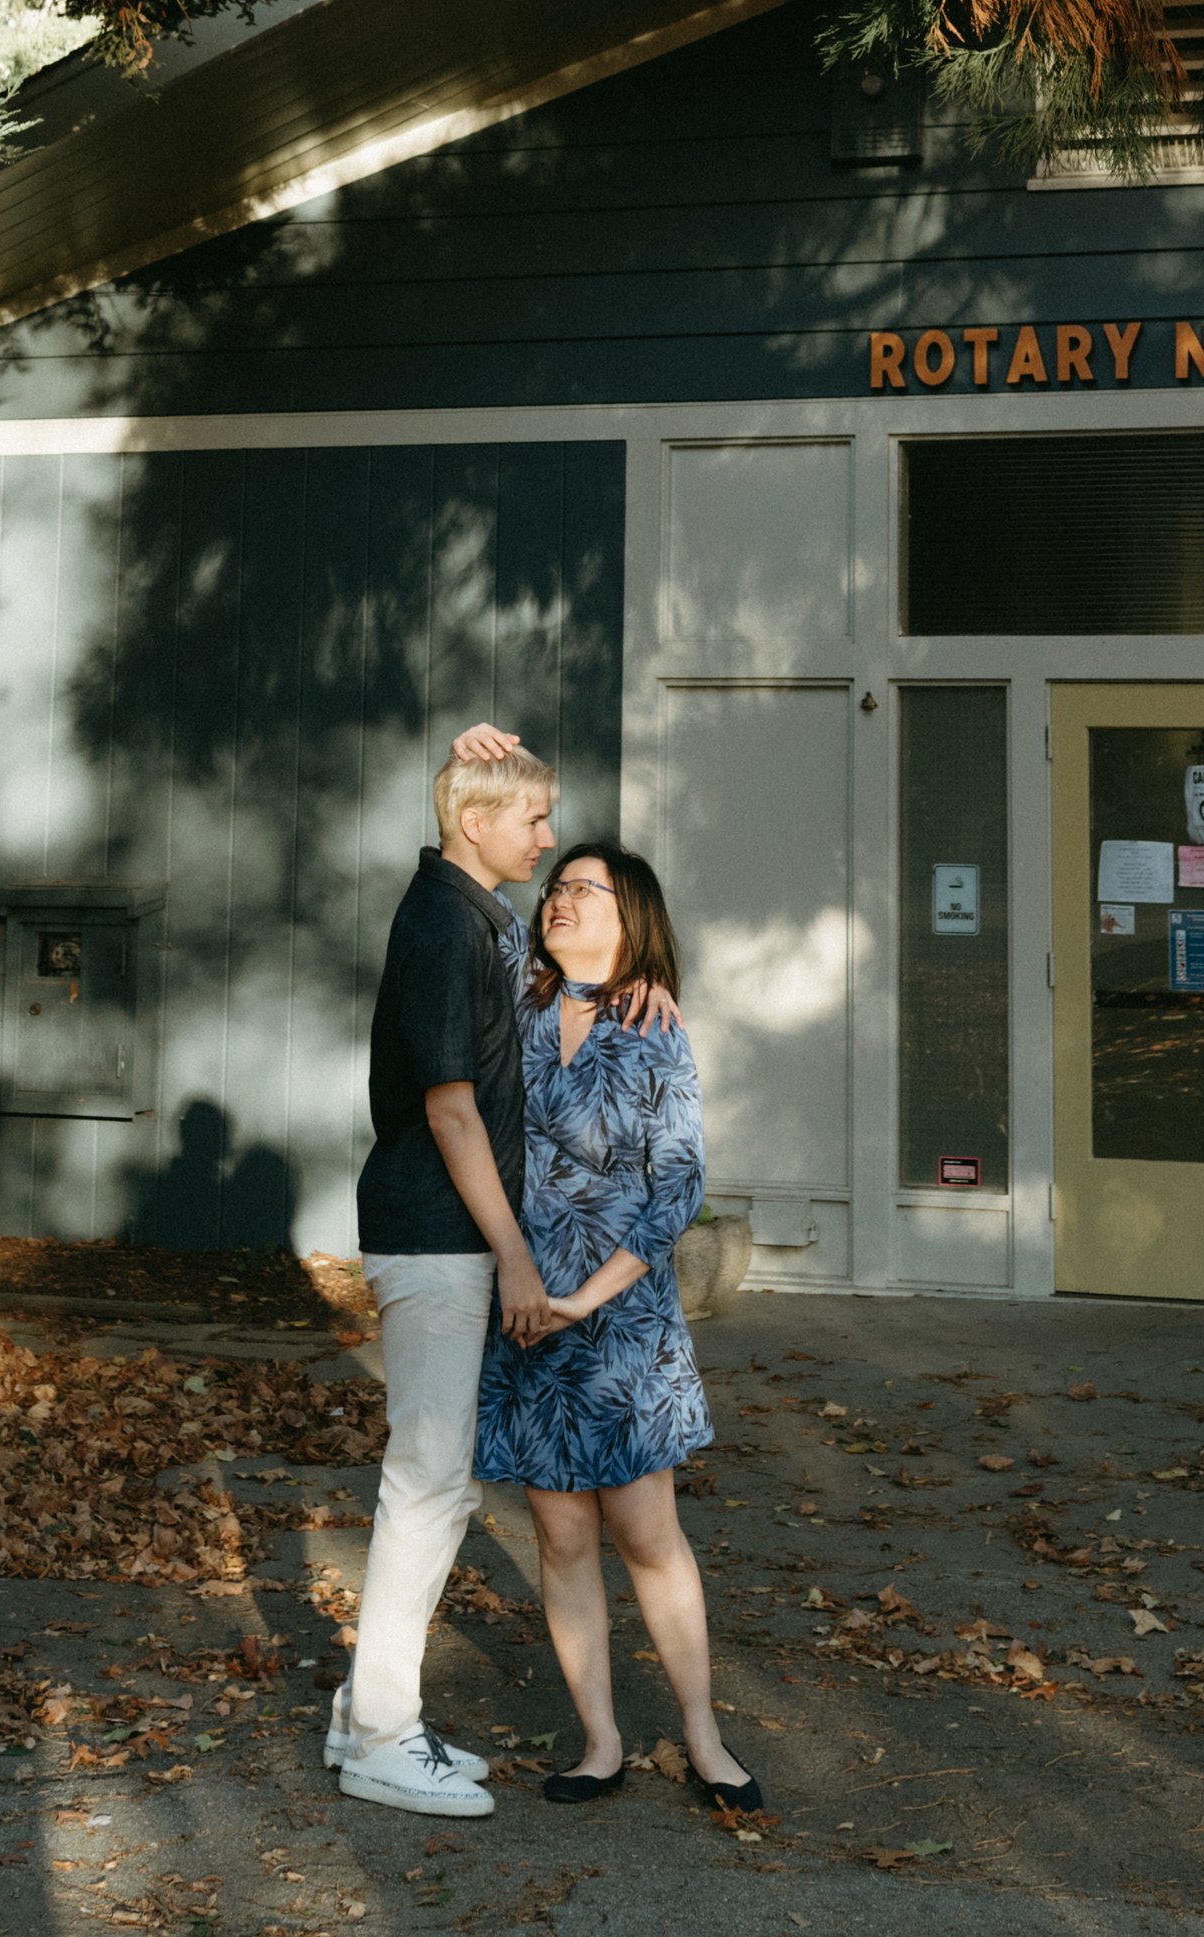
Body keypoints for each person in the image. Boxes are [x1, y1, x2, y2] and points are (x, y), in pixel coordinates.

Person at [475, 842, 762, 1814]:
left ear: (629, 913)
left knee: (645, 1528)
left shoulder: (653, 1027)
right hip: (521, 1315)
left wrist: (587, 1298)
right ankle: (600, 1740)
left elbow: (677, 1181)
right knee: (559, 1536)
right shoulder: (517, 998)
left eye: (580, 889)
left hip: (621, 1317)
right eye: (554, 886)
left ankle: (703, 1735)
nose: (557, 899)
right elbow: (471, 880)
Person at [334, 739, 561, 1819]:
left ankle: (362, 1718)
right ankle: (382, 1732)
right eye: (534, 815)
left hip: (448, 1233)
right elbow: (448, 1104)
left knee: (441, 1481)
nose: (547, 836)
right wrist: (513, 1251)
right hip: (436, 1235)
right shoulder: (438, 921)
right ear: (476, 822)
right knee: (424, 1480)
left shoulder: (475, 915)